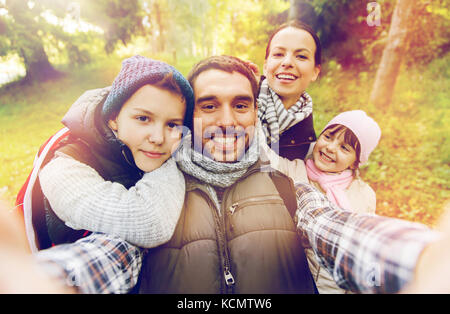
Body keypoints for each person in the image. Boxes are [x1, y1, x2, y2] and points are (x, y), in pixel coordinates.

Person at [34, 55, 440, 294]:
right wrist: (50, 282)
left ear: (254, 114)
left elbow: (339, 232)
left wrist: (420, 261)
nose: (227, 120)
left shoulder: (288, 185)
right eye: (209, 106)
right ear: (187, 119)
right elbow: (109, 255)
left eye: (241, 105)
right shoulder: (155, 192)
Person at [36, 55, 194, 251]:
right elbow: (149, 223)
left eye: (172, 124)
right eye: (143, 118)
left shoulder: (158, 147)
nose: (158, 138)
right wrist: (174, 157)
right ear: (113, 118)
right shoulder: (63, 169)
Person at [265, 110, 381, 293]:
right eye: (328, 137)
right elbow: (265, 157)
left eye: (344, 148)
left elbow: (367, 251)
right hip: (295, 285)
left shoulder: (363, 194)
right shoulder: (295, 171)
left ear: (355, 162)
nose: (330, 147)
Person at [257, 20, 321, 160]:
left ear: (315, 72)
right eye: (279, 54)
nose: (287, 62)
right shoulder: (235, 101)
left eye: (301, 56)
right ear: (266, 66)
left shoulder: (310, 146)